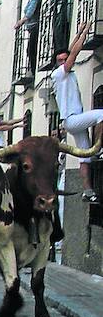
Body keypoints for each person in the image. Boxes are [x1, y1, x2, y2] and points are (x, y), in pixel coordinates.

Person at [53, 22, 103, 203]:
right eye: (61, 60)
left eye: (64, 59)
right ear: (57, 63)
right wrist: (86, 32)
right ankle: (99, 148)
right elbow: (74, 53)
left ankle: (88, 192)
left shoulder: (67, 73)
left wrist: (80, 31)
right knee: (101, 115)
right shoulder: (59, 74)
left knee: (84, 156)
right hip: (72, 119)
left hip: (73, 121)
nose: (64, 61)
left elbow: (71, 50)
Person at [15, 0, 41, 74]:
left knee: (31, 50)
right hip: (32, 27)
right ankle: (32, 70)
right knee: (30, 49)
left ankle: (33, 71)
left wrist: (21, 22)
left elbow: (30, 12)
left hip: (35, 26)